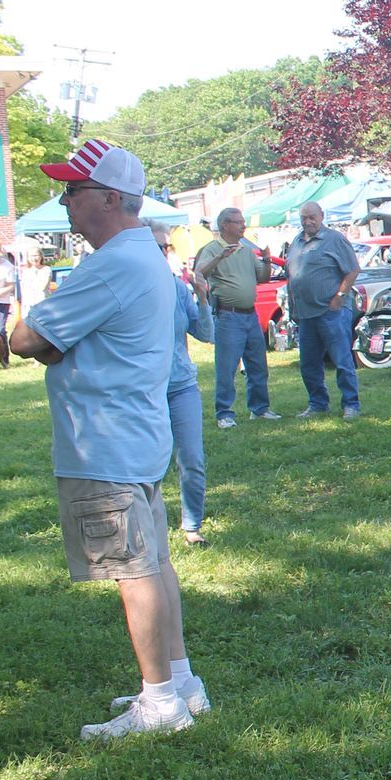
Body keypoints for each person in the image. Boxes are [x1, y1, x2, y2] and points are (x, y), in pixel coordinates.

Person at [8, 139, 208, 740]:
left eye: (73, 190)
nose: (65, 202)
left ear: (111, 198)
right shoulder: (143, 254)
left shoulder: (112, 263)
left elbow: (22, 339)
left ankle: (159, 703)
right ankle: (181, 683)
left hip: (105, 443)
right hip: (136, 435)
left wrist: (49, 334)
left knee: (134, 572)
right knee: (155, 564)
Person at [154, 224, 214, 545]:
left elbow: (206, 334)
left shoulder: (178, 289)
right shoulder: (129, 290)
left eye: (164, 247)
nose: (161, 253)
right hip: (144, 390)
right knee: (150, 463)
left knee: (192, 458)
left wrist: (203, 299)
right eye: (154, 247)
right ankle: (151, 528)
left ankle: (191, 526)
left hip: (181, 386)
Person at [194, 207, 280, 428]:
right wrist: (220, 258)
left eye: (243, 222)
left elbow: (262, 277)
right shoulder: (212, 249)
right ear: (225, 225)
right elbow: (200, 272)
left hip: (250, 315)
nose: (244, 226)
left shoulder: (245, 250)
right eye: (238, 222)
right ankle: (224, 414)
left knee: (257, 364)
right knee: (227, 367)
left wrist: (268, 260)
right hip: (228, 316)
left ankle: (260, 409)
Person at [285, 200, 362, 419]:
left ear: (321, 216)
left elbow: (353, 269)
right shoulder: (297, 241)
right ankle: (318, 403)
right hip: (305, 313)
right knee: (309, 363)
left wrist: (339, 296)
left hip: (331, 311)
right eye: (303, 218)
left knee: (342, 360)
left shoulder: (334, 239)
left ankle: (351, 404)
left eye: (312, 217)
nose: (307, 222)